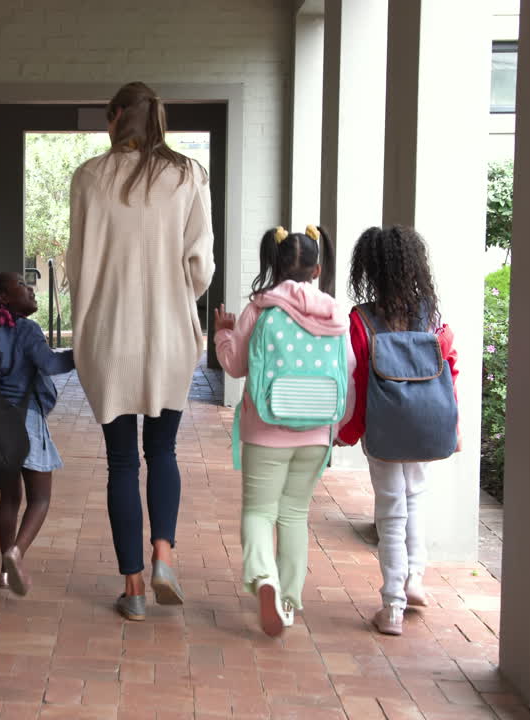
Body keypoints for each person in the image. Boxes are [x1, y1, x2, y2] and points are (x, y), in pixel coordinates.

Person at [66, 81, 215, 621]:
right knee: (164, 452)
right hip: (168, 335)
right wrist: (175, 294)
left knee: (122, 462)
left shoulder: (89, 177)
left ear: (114, 118)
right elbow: (201, 267)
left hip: (110, 336)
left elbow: (79, 262)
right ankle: (164, 556)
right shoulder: (188, 174)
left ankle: (132, 589)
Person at [214, 225, 354, 637]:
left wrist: (224, 330)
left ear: (274, 265)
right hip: (316, 431)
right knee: (294, 514)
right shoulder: (335, 313)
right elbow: (347, 371)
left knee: (259, 511)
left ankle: (264, 579)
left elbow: (236, 366)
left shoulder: (260, 310)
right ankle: (288, 600)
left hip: (265, 429)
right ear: (318, 268)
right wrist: (336, 427)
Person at [337, 225, 460, 637]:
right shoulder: (433, 315)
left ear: (369, 270)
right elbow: (451, 369)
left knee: (390, 510)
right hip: (427, 425)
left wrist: (349, 432)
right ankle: (415, 580)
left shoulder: (362, 320)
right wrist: (453, 425)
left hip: (386, 430)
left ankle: (392, 606)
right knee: (417, 496)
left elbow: (355, 383)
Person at [0, 273, 75, 596]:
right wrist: (82, 354)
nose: (30, 289)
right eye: (22, 286)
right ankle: (16, 553)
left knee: (9, 499)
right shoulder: (26, 329)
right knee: (40, 498)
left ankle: (4, 572)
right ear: (4, 298)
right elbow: (50, 365)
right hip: (26, 422)